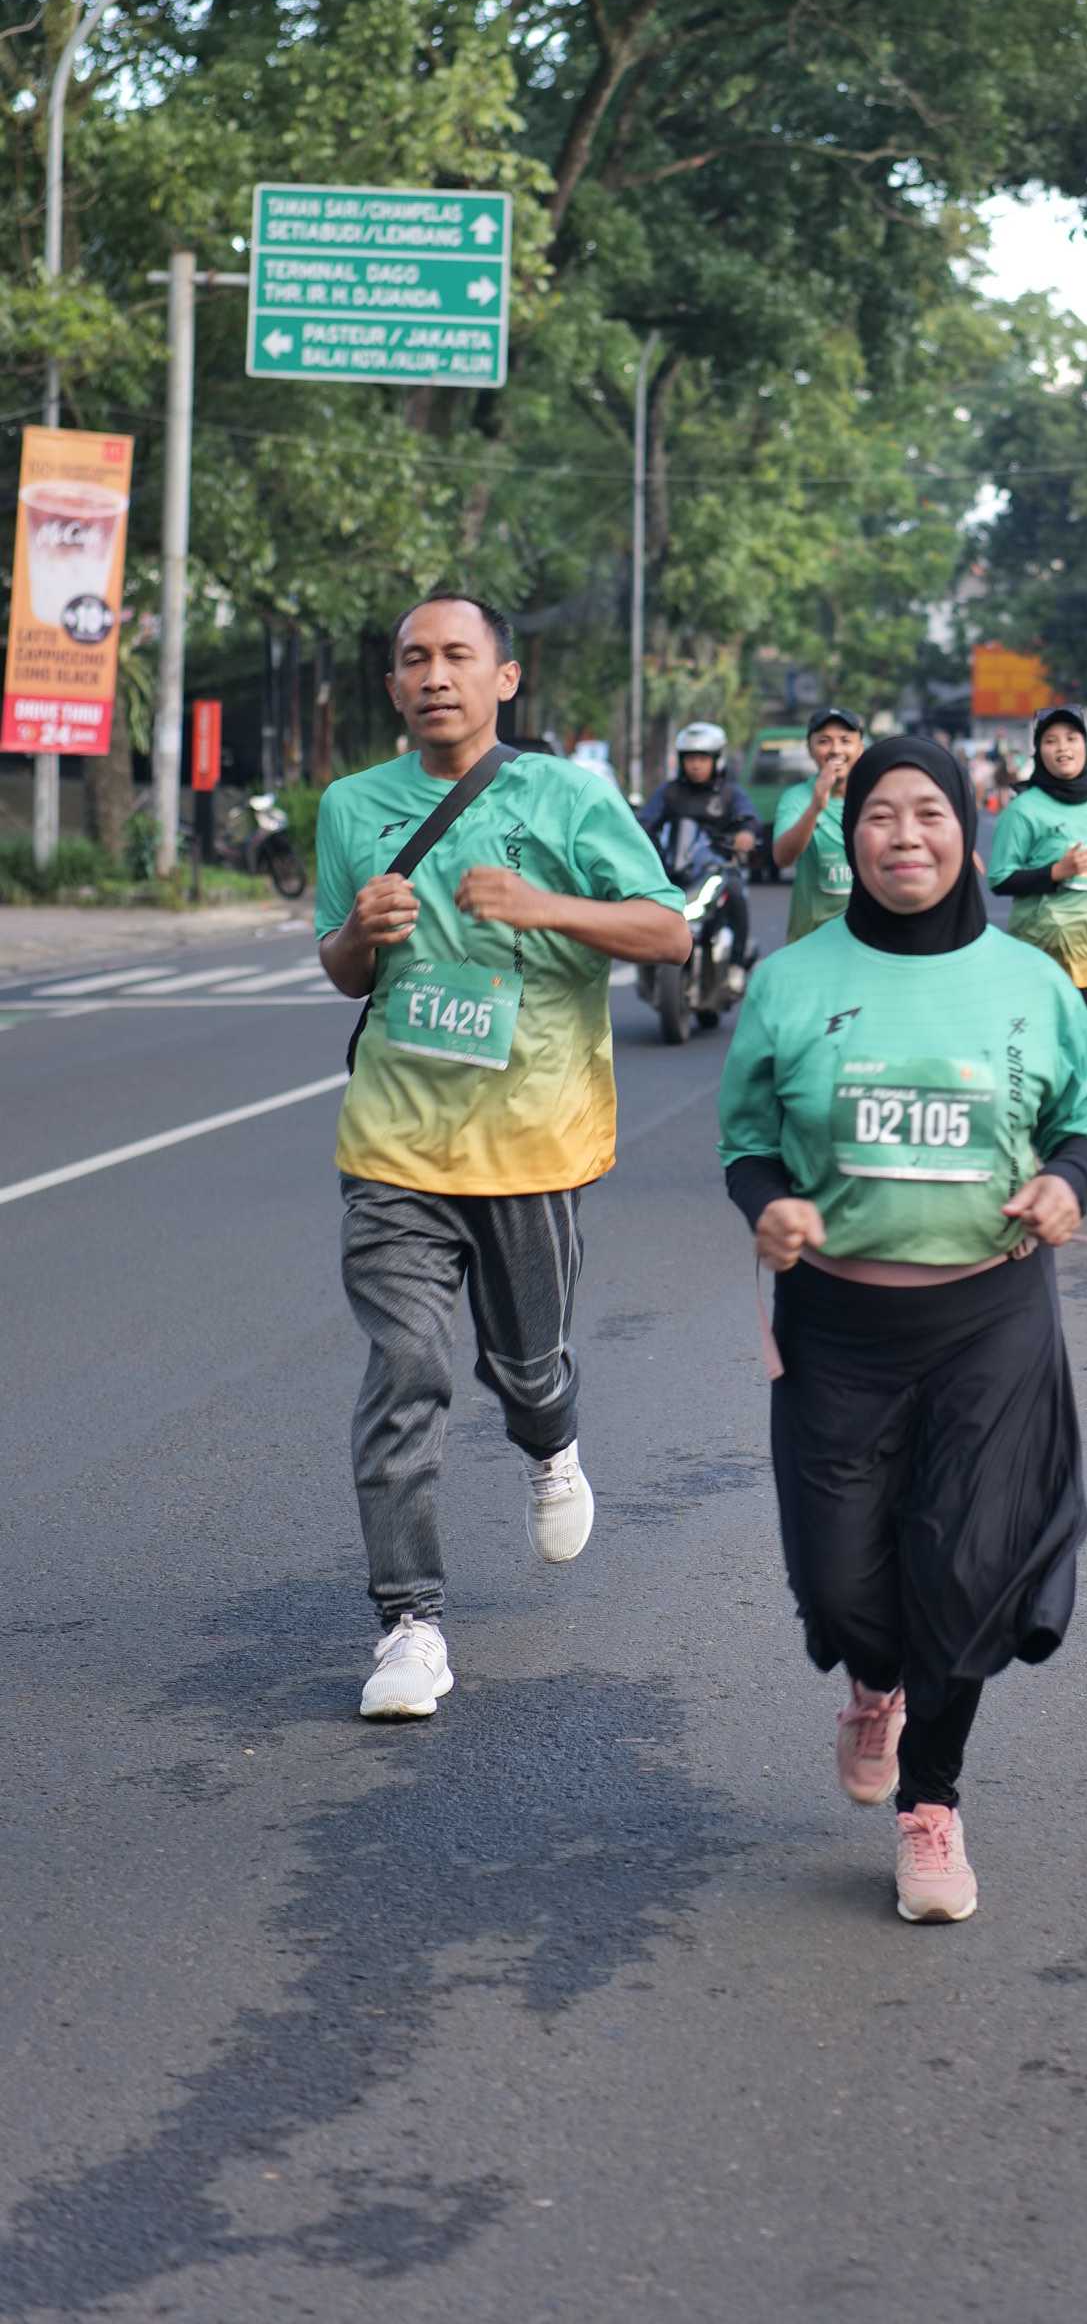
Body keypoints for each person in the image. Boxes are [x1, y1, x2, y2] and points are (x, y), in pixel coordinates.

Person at [717, 737, 1087, 1926]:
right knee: (843, 1585)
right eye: (881, 814)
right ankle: (873, 1678)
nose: (905, 836)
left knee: (968, 1569)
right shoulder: (792, 980)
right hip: (837, 1323)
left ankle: (931, 1804)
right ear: (851, 837)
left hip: (989, 1318)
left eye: (929, 813)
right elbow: (747, 1141)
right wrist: (768, 1206)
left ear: (967, 832)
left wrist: (1066, 1180)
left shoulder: (1029, 981)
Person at [316, 592, 691, 1722]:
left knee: (527, 1367)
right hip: (394, 1138)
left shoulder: (568, 796)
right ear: (394, 685)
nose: (434, 675)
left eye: (457, 656)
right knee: (405, 1370)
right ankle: (409, 1624)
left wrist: (544, 907)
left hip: (531, 1135)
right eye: (413, 659)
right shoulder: (351, 805)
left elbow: (668, 930)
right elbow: (340, 967)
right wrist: (358, 935)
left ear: (504, 678)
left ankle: (551, 1442)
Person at [987, 706, 1087, 1214]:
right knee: (1048, 1065)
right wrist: (1054, 871)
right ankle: (1042, 1159)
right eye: (1051, 740)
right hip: (1044, 954)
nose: (1062, 748)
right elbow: (1000, 878)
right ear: (1039, 751)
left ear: (1086, 745)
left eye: (1071, 738)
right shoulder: (1025, 810)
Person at [638, 723, 760, 974]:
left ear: (716, 760)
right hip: (675, 869)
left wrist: (746, 834)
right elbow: (646, 821)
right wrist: (639, 837)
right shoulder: (669, 792)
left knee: (736, 891)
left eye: (702, 759)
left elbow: (748, 818)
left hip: (717, 867)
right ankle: (646, 960)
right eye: (690, 758)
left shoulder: (729, 793)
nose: (695, 765)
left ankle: (736, 963)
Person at [770, 707, 866, 944]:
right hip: (811, 938)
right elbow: (782, 858)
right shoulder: (796, 798)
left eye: (845, 741)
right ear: (810, 749)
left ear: (860, 748)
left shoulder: (875, 797)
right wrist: (815, 807)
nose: (835, 750)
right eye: (824, 741)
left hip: (865, 939)